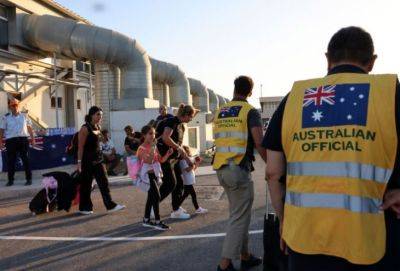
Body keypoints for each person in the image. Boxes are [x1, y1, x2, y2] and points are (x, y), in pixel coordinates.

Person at [264, 26, 400, 271]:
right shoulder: (389, 93)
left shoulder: (295, 97)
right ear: (372, 62)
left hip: (305, 239)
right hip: (374, 238)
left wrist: (285, 220)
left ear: (328, 59)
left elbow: (273, 172)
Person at [213, 76, 266, 271]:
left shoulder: (220, 111)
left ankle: (245, 256)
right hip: (238, 169)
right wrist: (271, 164)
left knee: (239, 214)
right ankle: (224, 265)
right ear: (250, 92)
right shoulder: (250, 111)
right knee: (238, 218)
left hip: (221, 168)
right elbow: (259, 142)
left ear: (234, 89)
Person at [77, 106, 125, 215]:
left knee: (104, 182)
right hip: (87, 161)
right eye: (98, 114)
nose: (100, 117)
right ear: (91, 115)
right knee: (86, 185)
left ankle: (110, 205)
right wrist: (79, 163)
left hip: (98, 160)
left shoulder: (97, 127)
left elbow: (100, 142)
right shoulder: (84, 128)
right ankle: (85, 207)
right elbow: (80, 147)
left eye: (101, 115)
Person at [156, 103, 199, 219]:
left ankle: (176, 210)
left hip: (175, 159)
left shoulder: (182, 126)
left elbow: (179, 146)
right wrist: (178, 148)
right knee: (170, 183)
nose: (191, 119)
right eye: (191, 116)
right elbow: (165, 138)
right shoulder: (171, 122)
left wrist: (187, 160)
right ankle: (152, 206)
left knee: (179, 184)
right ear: (186, 115)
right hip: (165, 158)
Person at [137, 125, 174, 230]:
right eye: (150, 133)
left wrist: (168, 154)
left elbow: (160, 160)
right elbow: (148, 161)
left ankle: (146, 219)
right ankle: (158, 221)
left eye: (153, 134)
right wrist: (153, 147)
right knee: (156, 196)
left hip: (154, 175)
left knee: (151, 197)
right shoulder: (141, 148)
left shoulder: (154, 147)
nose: (153, 136)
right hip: (147, 176)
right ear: (144, 135)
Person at [0, 99, 35, 186]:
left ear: (18, 106)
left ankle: (29, 179)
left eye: (16, 105)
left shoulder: (24, 116)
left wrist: (33, 139)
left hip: (23, 140)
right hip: (10, 141)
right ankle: (10, 180)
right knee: (11, 161)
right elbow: (1, 130)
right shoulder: (5, 117)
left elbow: (29, 128)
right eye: (13, 105)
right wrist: (0, 142)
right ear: (10, 107)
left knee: (26, 160)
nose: (14, 107)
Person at [177, 145, 208, 214]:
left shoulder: (187, 160)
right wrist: (193, 164)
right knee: (193, 194)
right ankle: (197, 208)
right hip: (187, 181)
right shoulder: (182, 161)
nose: (188, 152)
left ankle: (176, 206)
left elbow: (193, 169)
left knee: (185, 194)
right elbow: (188, 169)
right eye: (187, 151)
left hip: (189, 180)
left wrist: (197, 163)